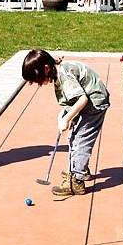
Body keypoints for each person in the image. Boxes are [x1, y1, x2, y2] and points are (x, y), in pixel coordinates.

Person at [21, 50, 110, 196]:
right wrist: (62, 115)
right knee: (73, 137)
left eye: (38, 80)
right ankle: (80, 168)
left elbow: (83, 99)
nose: (39, 84)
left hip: (94, 103)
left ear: (46, 68)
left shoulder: (64, 75)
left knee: (80, 140)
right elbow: (71, 99)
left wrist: (67, 118)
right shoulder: (58, 70)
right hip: (89, 100)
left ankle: (76, 181)